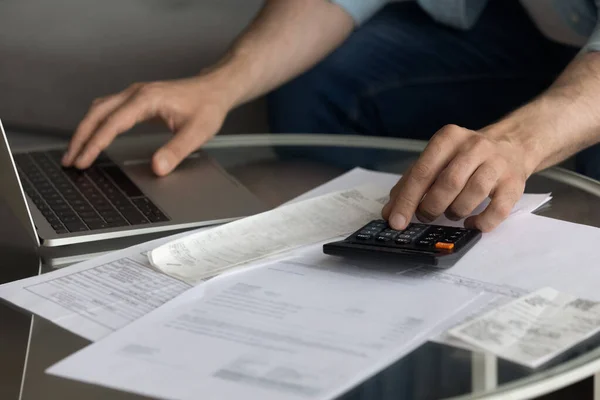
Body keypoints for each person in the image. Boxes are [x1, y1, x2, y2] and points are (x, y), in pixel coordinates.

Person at [60, 0, 600, 233]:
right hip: (508, 25)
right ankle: (347, 270)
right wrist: (219, 84)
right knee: (318, 83)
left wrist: (518, 141)